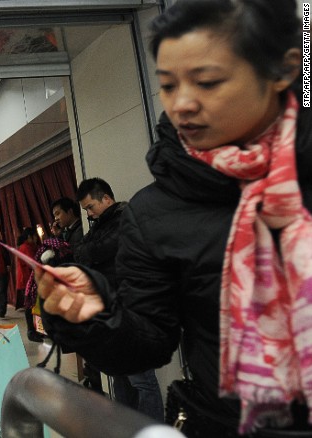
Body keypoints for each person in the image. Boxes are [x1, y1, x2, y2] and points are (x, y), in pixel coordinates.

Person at [38, 0, 311, 435]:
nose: (182, 104)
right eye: (168, 85)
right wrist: (93, 316)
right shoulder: (157, 211)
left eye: (206, 81)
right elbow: (147, 338)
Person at [75, 177, 164, 422]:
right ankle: (127, 427)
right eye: (86, 211)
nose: (89, 214)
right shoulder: (102, 223)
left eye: (91, 207)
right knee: (121, 375)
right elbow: (82, 251)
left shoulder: (127, 218)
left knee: (142, 380)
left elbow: (96, 250)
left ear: (106, 198)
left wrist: (89, 252)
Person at [15, 227, 41, 342]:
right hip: (26, 281)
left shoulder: (30, 247)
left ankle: (36, 330)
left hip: (29, 281)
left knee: (33, 306)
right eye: (35, 236)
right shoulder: (25, 247)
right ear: (29, 237)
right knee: (29, 307)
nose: (36, 238)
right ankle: (31, 331)